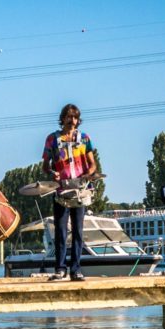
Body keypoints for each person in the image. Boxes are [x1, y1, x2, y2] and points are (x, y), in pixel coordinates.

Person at [42, 104, 99, 282]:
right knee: (60, 230)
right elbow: (45, 166)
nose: (72, 120)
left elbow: (92, 163)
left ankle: (76, 269)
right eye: (68, 117)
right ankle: (60, 269)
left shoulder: (85, 138)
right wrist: (53, 173)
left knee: (78, 231)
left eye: (75, 117)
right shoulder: (52, 139)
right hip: (61, 190)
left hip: (80, 191)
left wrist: (89, 175)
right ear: (63, 118)